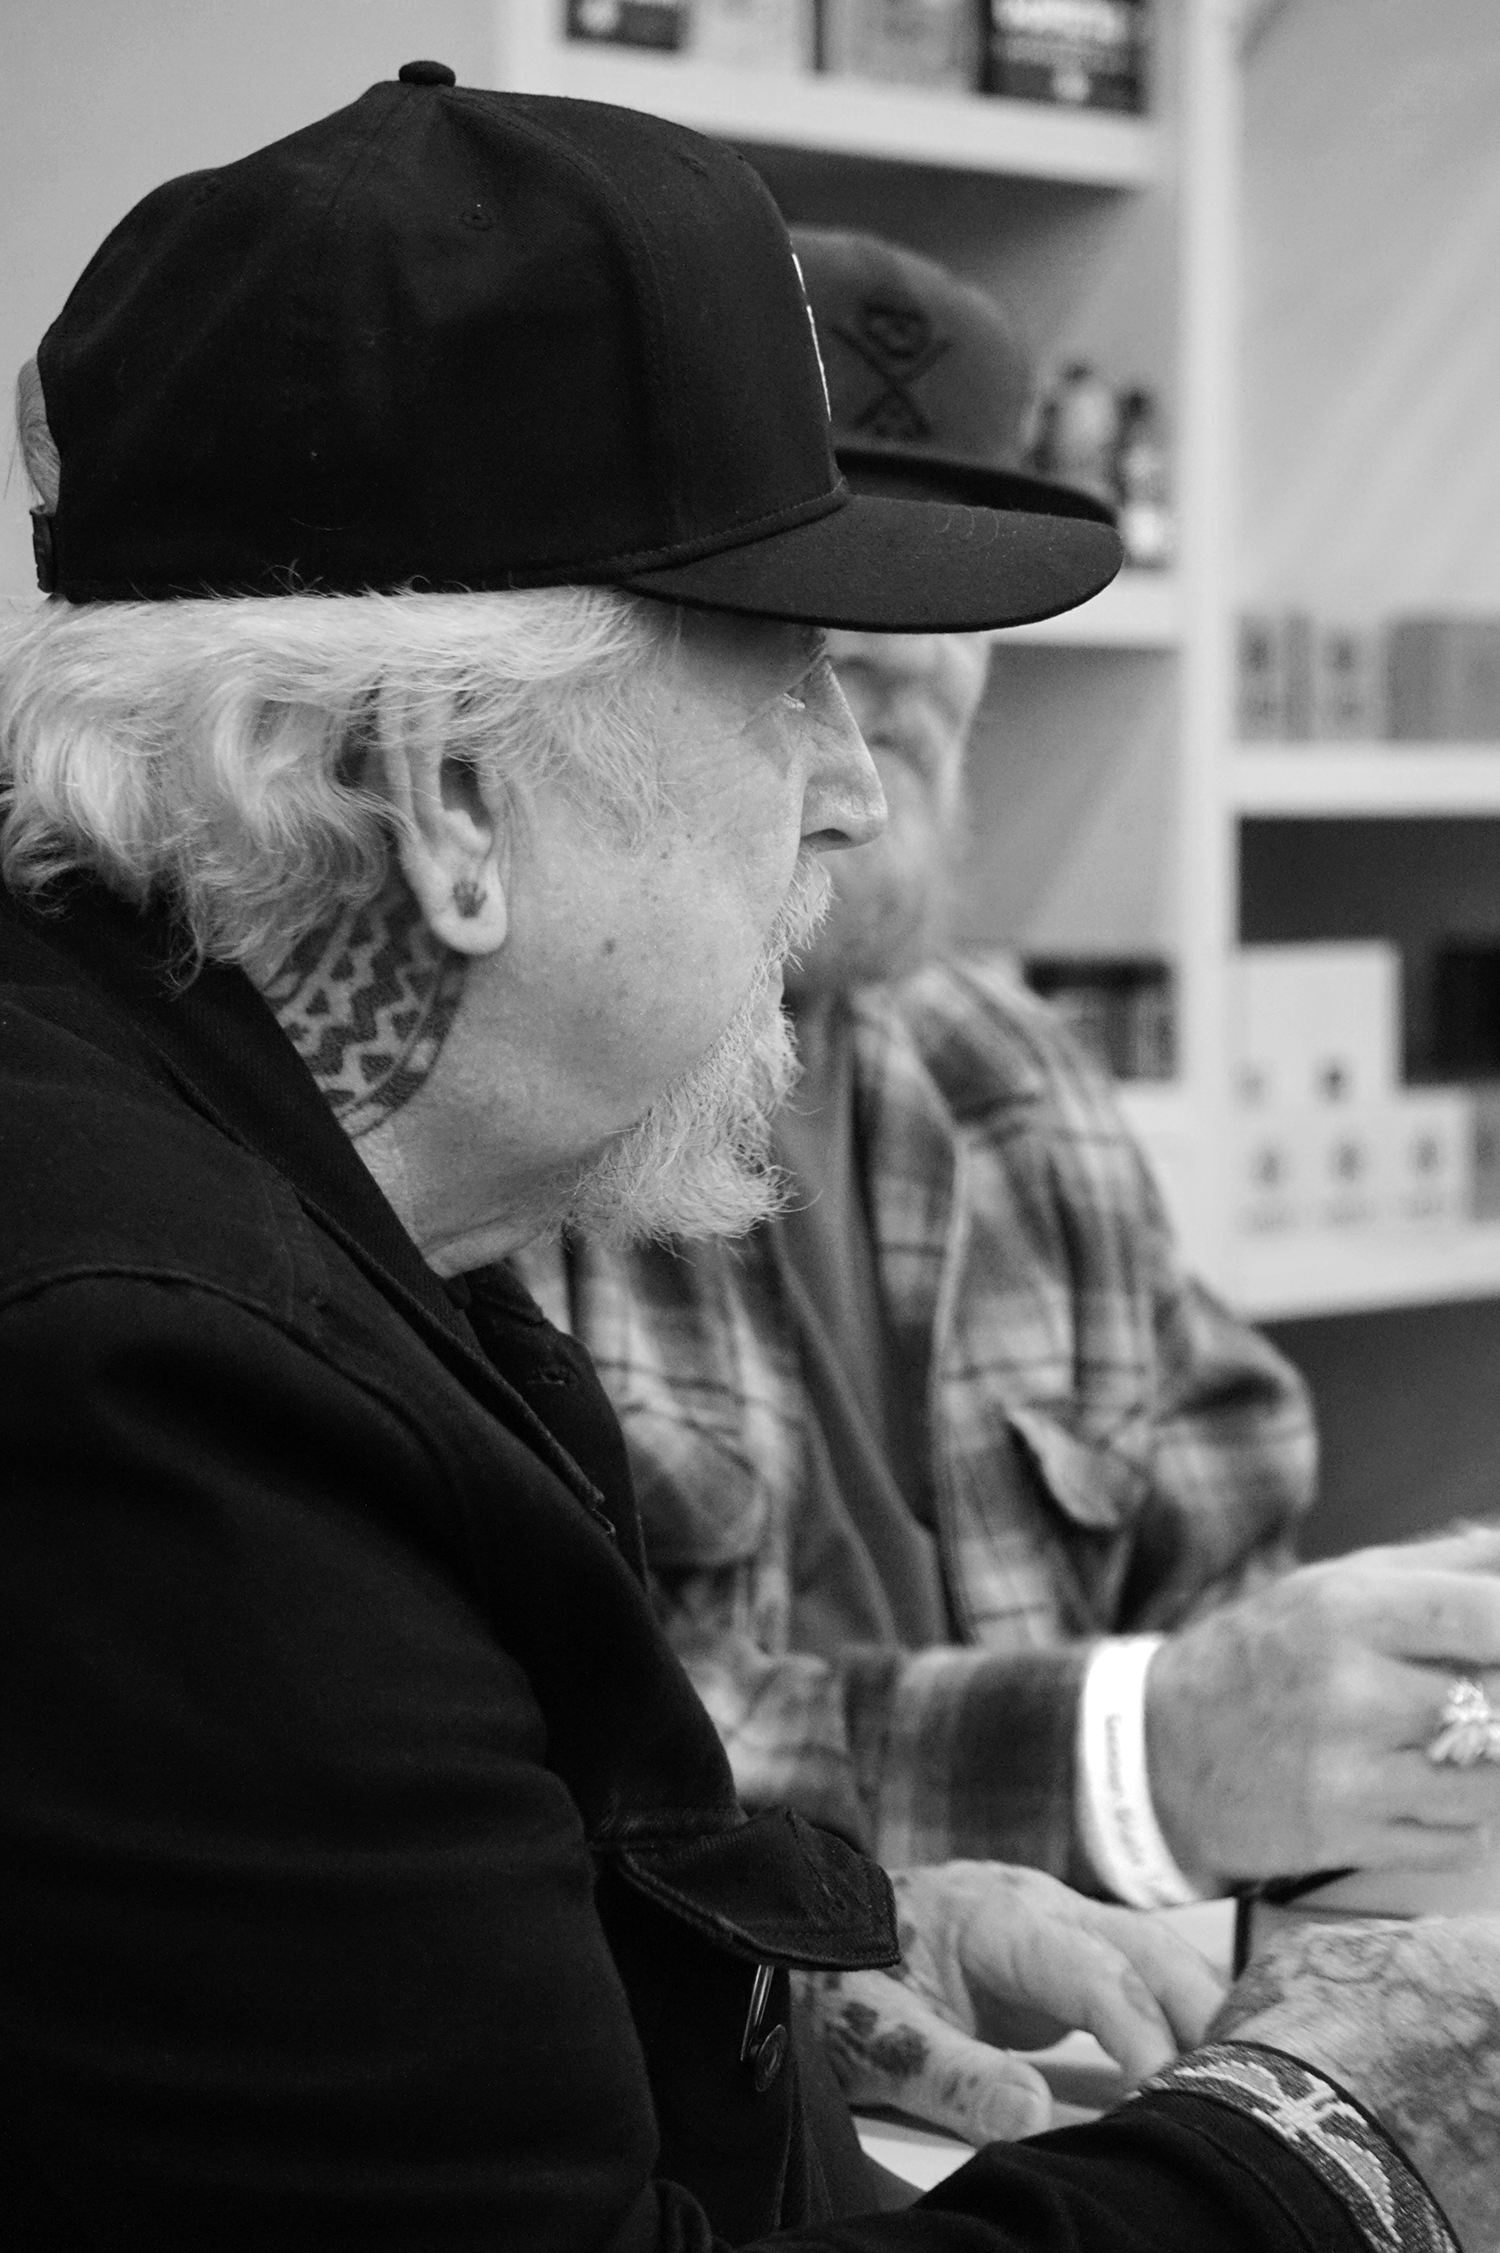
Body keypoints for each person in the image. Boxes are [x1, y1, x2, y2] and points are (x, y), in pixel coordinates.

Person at [1, 63, 1496, 2251]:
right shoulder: (148, 1401)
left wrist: (780, 1976)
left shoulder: (331, 1202)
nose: (855, 795)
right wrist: (1338, 2118)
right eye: (785, 681)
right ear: (444, 796)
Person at [519, 229, 1500, 2128]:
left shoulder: (1014, 1076)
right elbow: (567, 1767)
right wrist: (1137, 1747)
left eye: (934, 615)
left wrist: (1395, 1707)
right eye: (818, 604)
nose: (878, 690)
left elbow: (1231, 1577)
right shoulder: (503, 1102)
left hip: (1092, 2084)